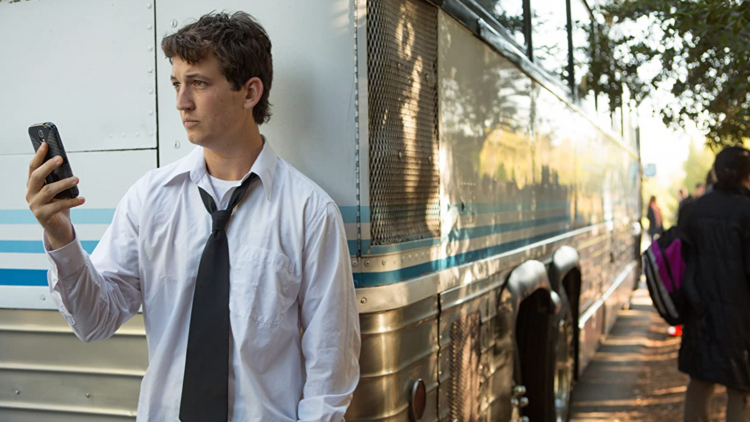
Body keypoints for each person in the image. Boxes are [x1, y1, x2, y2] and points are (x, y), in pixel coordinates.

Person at [24, 12, 360, 422]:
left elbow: (330, 369)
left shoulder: (310, 213)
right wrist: (60, 237)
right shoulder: (150, 199)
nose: (182, 102)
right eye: (176, 84)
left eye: (198, 83)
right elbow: (95, 321)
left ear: (250, 92)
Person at [679, 146, 750, 422]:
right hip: (741, 319)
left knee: (699, 383)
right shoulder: (747, 211)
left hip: (700, 312)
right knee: (740, 389)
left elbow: (681, 260)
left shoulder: (694, 210)